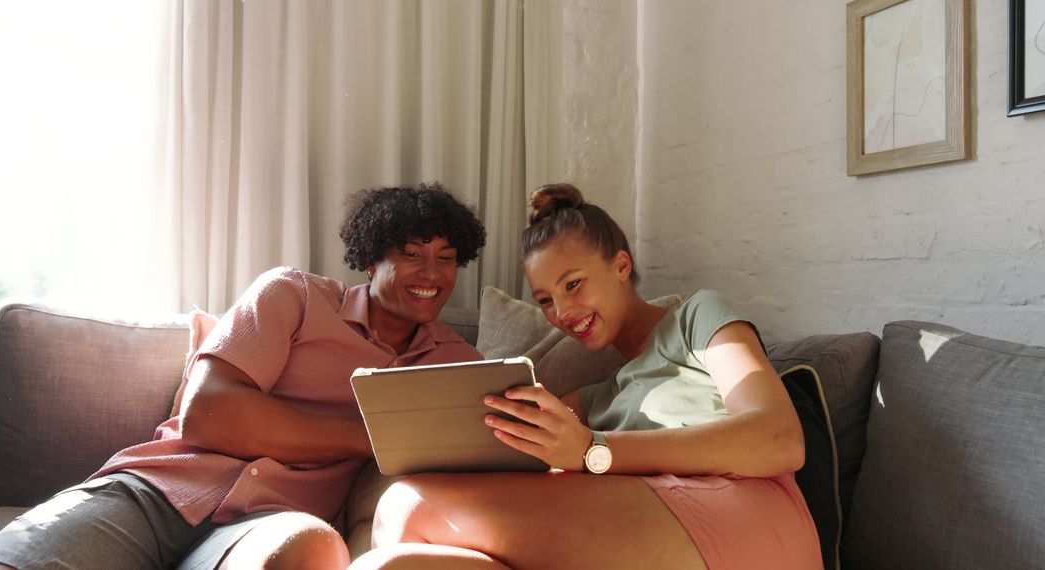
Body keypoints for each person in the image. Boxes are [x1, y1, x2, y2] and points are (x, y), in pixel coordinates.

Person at [0, 183, 487, 570]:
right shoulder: (294, 296)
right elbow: (209, 415)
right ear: (372, 261)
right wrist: (378, 437)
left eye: (446, 259)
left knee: (311, 552)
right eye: (412, 254)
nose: (432, 274)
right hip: (160, 492)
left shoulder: (458, 362)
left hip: (273, 519)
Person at [351, 183, 823, 569]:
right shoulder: (601, 396)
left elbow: (780, 440)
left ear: (621, 265)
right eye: (546, 300)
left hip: (746, 520)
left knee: (406, 505)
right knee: (392, 563)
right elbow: (516, 440)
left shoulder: (699, 318)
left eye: (573, 284)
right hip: (657, 529)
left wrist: (592, 450)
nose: (563, 312)